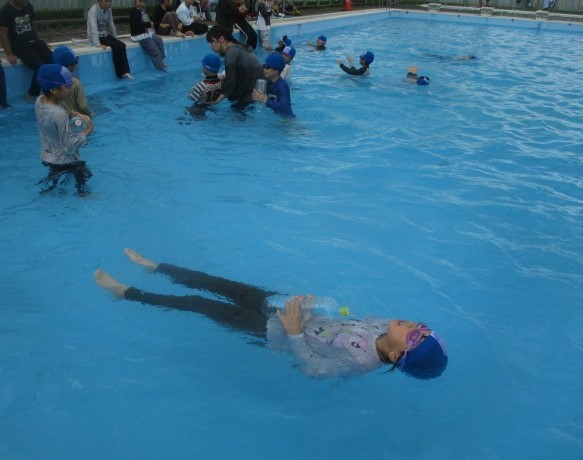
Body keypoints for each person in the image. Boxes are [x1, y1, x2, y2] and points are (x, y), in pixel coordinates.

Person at [94, 248, 449, 380]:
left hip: (272, 331)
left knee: (200, 304)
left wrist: (293, 331)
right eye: (422, 326)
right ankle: (156, 267)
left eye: (414, 336)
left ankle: (126, 294)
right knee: (219, 284)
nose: (413, 325)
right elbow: (344, 318)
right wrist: (318, 305)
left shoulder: (359, 363)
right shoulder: (381, 324)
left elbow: (312, 369)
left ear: (395, 355)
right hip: (290, 308)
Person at [35, 64, 94, 196]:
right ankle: (83, 195)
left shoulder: (39, 101)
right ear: (54, 90)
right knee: (85, 175)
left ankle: (47, 189)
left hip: (48, 155)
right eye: (67, 85)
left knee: (55, 175)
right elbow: (69, 147)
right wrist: (88, 130)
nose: (71, 87)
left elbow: (50, 121)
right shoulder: (59, 114)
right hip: (64, 160)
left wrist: (70, 116)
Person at [0, 0, 52, 97]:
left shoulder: (28, 6)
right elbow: (3, 34)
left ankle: (49, 92)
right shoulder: (5, 11)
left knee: (53, 60)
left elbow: (32, 24)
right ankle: (32, 93)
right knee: (41, 67)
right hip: (20, 46)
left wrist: (39, 41)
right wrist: (9, 54)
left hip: (33, 42)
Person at [205, 24, 263, 107]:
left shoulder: (231, 52)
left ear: (221, 39)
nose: (211, 46)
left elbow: (230, 82)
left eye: (212, 42)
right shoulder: (235, 47)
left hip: (254, 90)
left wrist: (215, 102)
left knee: (235, 108)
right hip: (257, 85)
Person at [87, 0, 133, 79]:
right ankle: (120, 73)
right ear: (99, 1)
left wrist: (117, 40)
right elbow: (93, 27)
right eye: (106, 1)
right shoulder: (93, 10)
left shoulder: (108, 10)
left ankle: (126, 71)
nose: (109, 3)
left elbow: (111, 24)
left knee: (121, 45)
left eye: (110, 1)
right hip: (94, 37)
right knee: (117, 47)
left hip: (103, 34)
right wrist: (97, 43)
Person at [52, 46, 93, 117]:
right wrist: (91, 115)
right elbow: (83, 106)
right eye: (76, 61)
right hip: (76, 117)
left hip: (60, 117)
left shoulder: (50, 81)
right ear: (71, 65)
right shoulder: (76, 82)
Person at [129, 0, 167, 71]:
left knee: (159, 40)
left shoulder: (141, 11)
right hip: (139, 36)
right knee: (156, 52)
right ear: (135, 2)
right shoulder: (134, 12)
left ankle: (161, 61)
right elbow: (137, 25)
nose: (142, 3)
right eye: (140, 1)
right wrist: (148, 24)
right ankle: (160, 70)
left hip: (145, 33)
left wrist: (149, 24)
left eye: (143, 2)